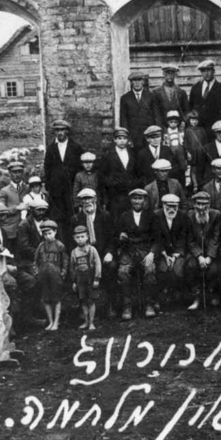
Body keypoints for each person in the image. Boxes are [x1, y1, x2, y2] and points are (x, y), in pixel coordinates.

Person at [71, 189, 118, 318]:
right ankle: (84, 307)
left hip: (103, 254)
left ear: (95, 199)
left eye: (89, 199)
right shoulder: (76, 219)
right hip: (84, 255)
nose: (87, 202)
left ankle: (110, 305)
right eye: (84, 200)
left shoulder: (105, 216)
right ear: (80, 202)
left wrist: (109, 253)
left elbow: (112, 238)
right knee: (80, 270)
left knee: (111, 267)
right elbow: (74, 242)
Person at [115, 188, 156, 320]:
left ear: (144, 200)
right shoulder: (124, 216)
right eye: (134, 198)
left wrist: (152, 253)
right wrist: (120, 236)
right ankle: (127, 307)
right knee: (123, 272)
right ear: (130, 200)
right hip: (129, 250)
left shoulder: (151, 216)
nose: (137, 201)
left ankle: (149, 305)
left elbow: (158, 238)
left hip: (145, 250)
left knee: (149, 270)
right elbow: (116, 235)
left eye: (140, 198)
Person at [43, 119, 83, 236]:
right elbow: (47, 168)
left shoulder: (75, 147)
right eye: (57, 130)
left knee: (72, 217)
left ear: (67, 131)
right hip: (56, 192)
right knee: (58, 218)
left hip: (70, 190)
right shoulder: (51, 149)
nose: (60, 133)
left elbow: (80, 168)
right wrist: (49, 186)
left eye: (62, 130)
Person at [184, 191, 221, 309]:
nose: (201, 208)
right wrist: (199, 256)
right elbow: (189, 239)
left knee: (214, 269)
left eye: (204, 204)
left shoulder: (216, 215)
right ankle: (196, 297)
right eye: (198, 204)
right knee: (190, 266)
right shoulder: (189, 216)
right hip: (195, 253)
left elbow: (216, 238)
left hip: (212, 252)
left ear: (209, 204)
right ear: (194, 204)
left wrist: (210, 257)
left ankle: (212, 295)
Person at [34, 219, 67, 331]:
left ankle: (56, 322)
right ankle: (50, 321)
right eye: (45, 234)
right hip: (44, 275)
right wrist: (37, 272)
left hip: (56, 275)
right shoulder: (41, 246)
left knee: (56, 298)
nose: (47, 236)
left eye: (50, 233)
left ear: (55, 232)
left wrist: (63, 273)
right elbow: (36, 261)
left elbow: (65, 261)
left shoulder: (60, 246)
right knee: (46, 298)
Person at [69, 225, 101, 331]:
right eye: (77, 237)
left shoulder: (92, 250)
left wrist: (97, 278)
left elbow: (98, 264)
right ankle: (86, 321)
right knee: (83, 300)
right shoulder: (74, 252)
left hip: (90, 278)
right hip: (80, 279)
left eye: (82, 236)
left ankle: (91, 322)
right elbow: (72, 267)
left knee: (91, 301)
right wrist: (74, 281)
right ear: (74, 238)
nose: (80, 239)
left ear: (87, 236)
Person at [119, 71, 162, 151]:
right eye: (134, 80)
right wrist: (126, 137)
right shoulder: (125, 98)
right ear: (131, 82)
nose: (137, 83)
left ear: (143, 81)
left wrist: (157, 133)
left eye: (139, 80)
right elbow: (123, 119)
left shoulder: (151, 96)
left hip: (149, 135)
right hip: (133, 135)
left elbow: (157, 116)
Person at [101, 127, 138, 218]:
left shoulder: (132, 153)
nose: (122, 141)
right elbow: (102, 175)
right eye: (119, 138)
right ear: (115, 140)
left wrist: (133, 183)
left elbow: (136, 171)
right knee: (116, 218)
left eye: (124, 138)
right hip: (115, 194)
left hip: (129, 192)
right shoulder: (108, 155)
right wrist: (112, 183)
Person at [0, 160, 29, 255]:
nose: (17, 175)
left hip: (26, 227)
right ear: (10, 174)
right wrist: (16, 208)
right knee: (11, 255)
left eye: (19, 172)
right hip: (11, 229)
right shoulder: (4, 191)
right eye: (14, 172)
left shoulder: (28, 188)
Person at [188, 59, 221, 132]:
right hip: (198, 128)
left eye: (208, 70)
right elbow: (190, 107)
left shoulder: (220, 88)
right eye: (203, 71)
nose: (206, 73)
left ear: (213, 71)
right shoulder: (196, 87)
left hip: (213, 128)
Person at [161, 112, 188, 188]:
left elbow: (183, 142)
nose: (173, 124)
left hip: (180, 153)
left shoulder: (180, 131)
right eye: (171, 122)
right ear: (168, 122)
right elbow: (165, 144)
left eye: (175, 122)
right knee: (172, 170)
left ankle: (182, 188)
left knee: (181, 170)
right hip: (171, 152)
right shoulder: (166, 132)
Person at [183, 110, 208, 190]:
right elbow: (185, 142)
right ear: (189, 120)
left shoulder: (202, 130)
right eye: (192, 120)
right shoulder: (187, 130)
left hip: (200, 153)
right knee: (193, 170)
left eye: (196, 120)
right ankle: (195, 185)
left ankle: (201, 185)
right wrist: (187, 152)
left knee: (200, 169)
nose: (194, 122)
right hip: (192, 153)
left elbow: (205, 142)